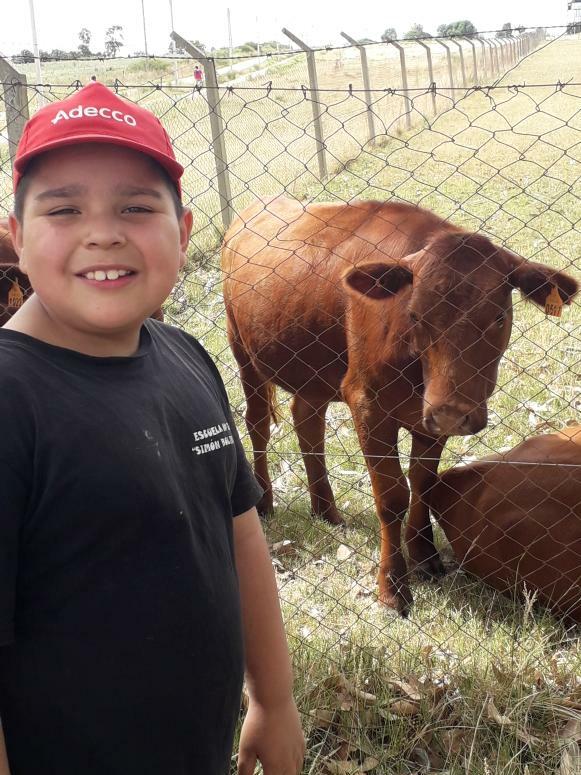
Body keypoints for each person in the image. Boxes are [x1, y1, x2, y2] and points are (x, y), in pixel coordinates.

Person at [0, 81, 304, 775]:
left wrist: (274, 698)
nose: (103, 232)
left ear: (184, 233)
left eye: (136, 207)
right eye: (64, 208)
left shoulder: (186, 356)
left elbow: (239, 533)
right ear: (16, 237)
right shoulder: (11, 401)